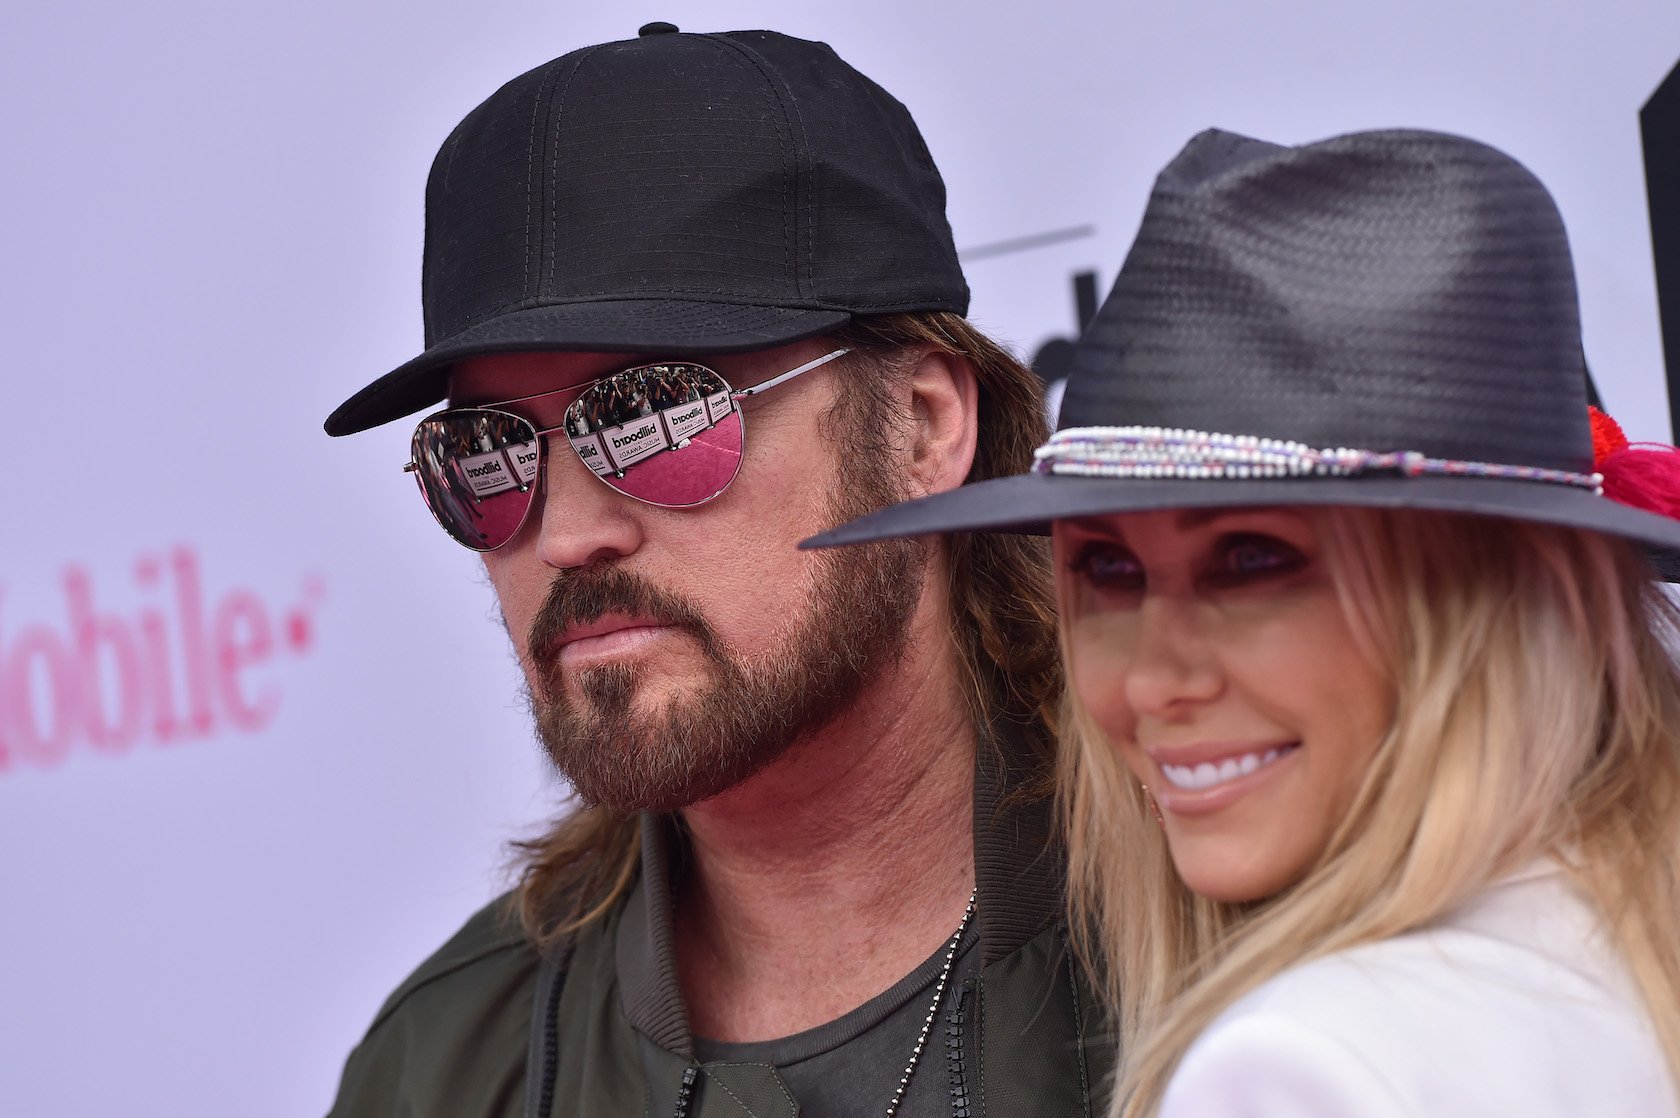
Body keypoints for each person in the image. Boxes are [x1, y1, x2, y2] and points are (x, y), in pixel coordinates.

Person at [321, 23, 1108, 1118]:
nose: (563, 535)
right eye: (487, 452)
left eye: (655, 413)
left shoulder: (1219, 914)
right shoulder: (450, 1068)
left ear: (925, 428)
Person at [808, 128, 1680, 1115]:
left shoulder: (1306, 1068)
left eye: (1255, 561)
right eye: (1110, 569)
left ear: (1508, 595)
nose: (1150, 682)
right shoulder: (1623, 949)